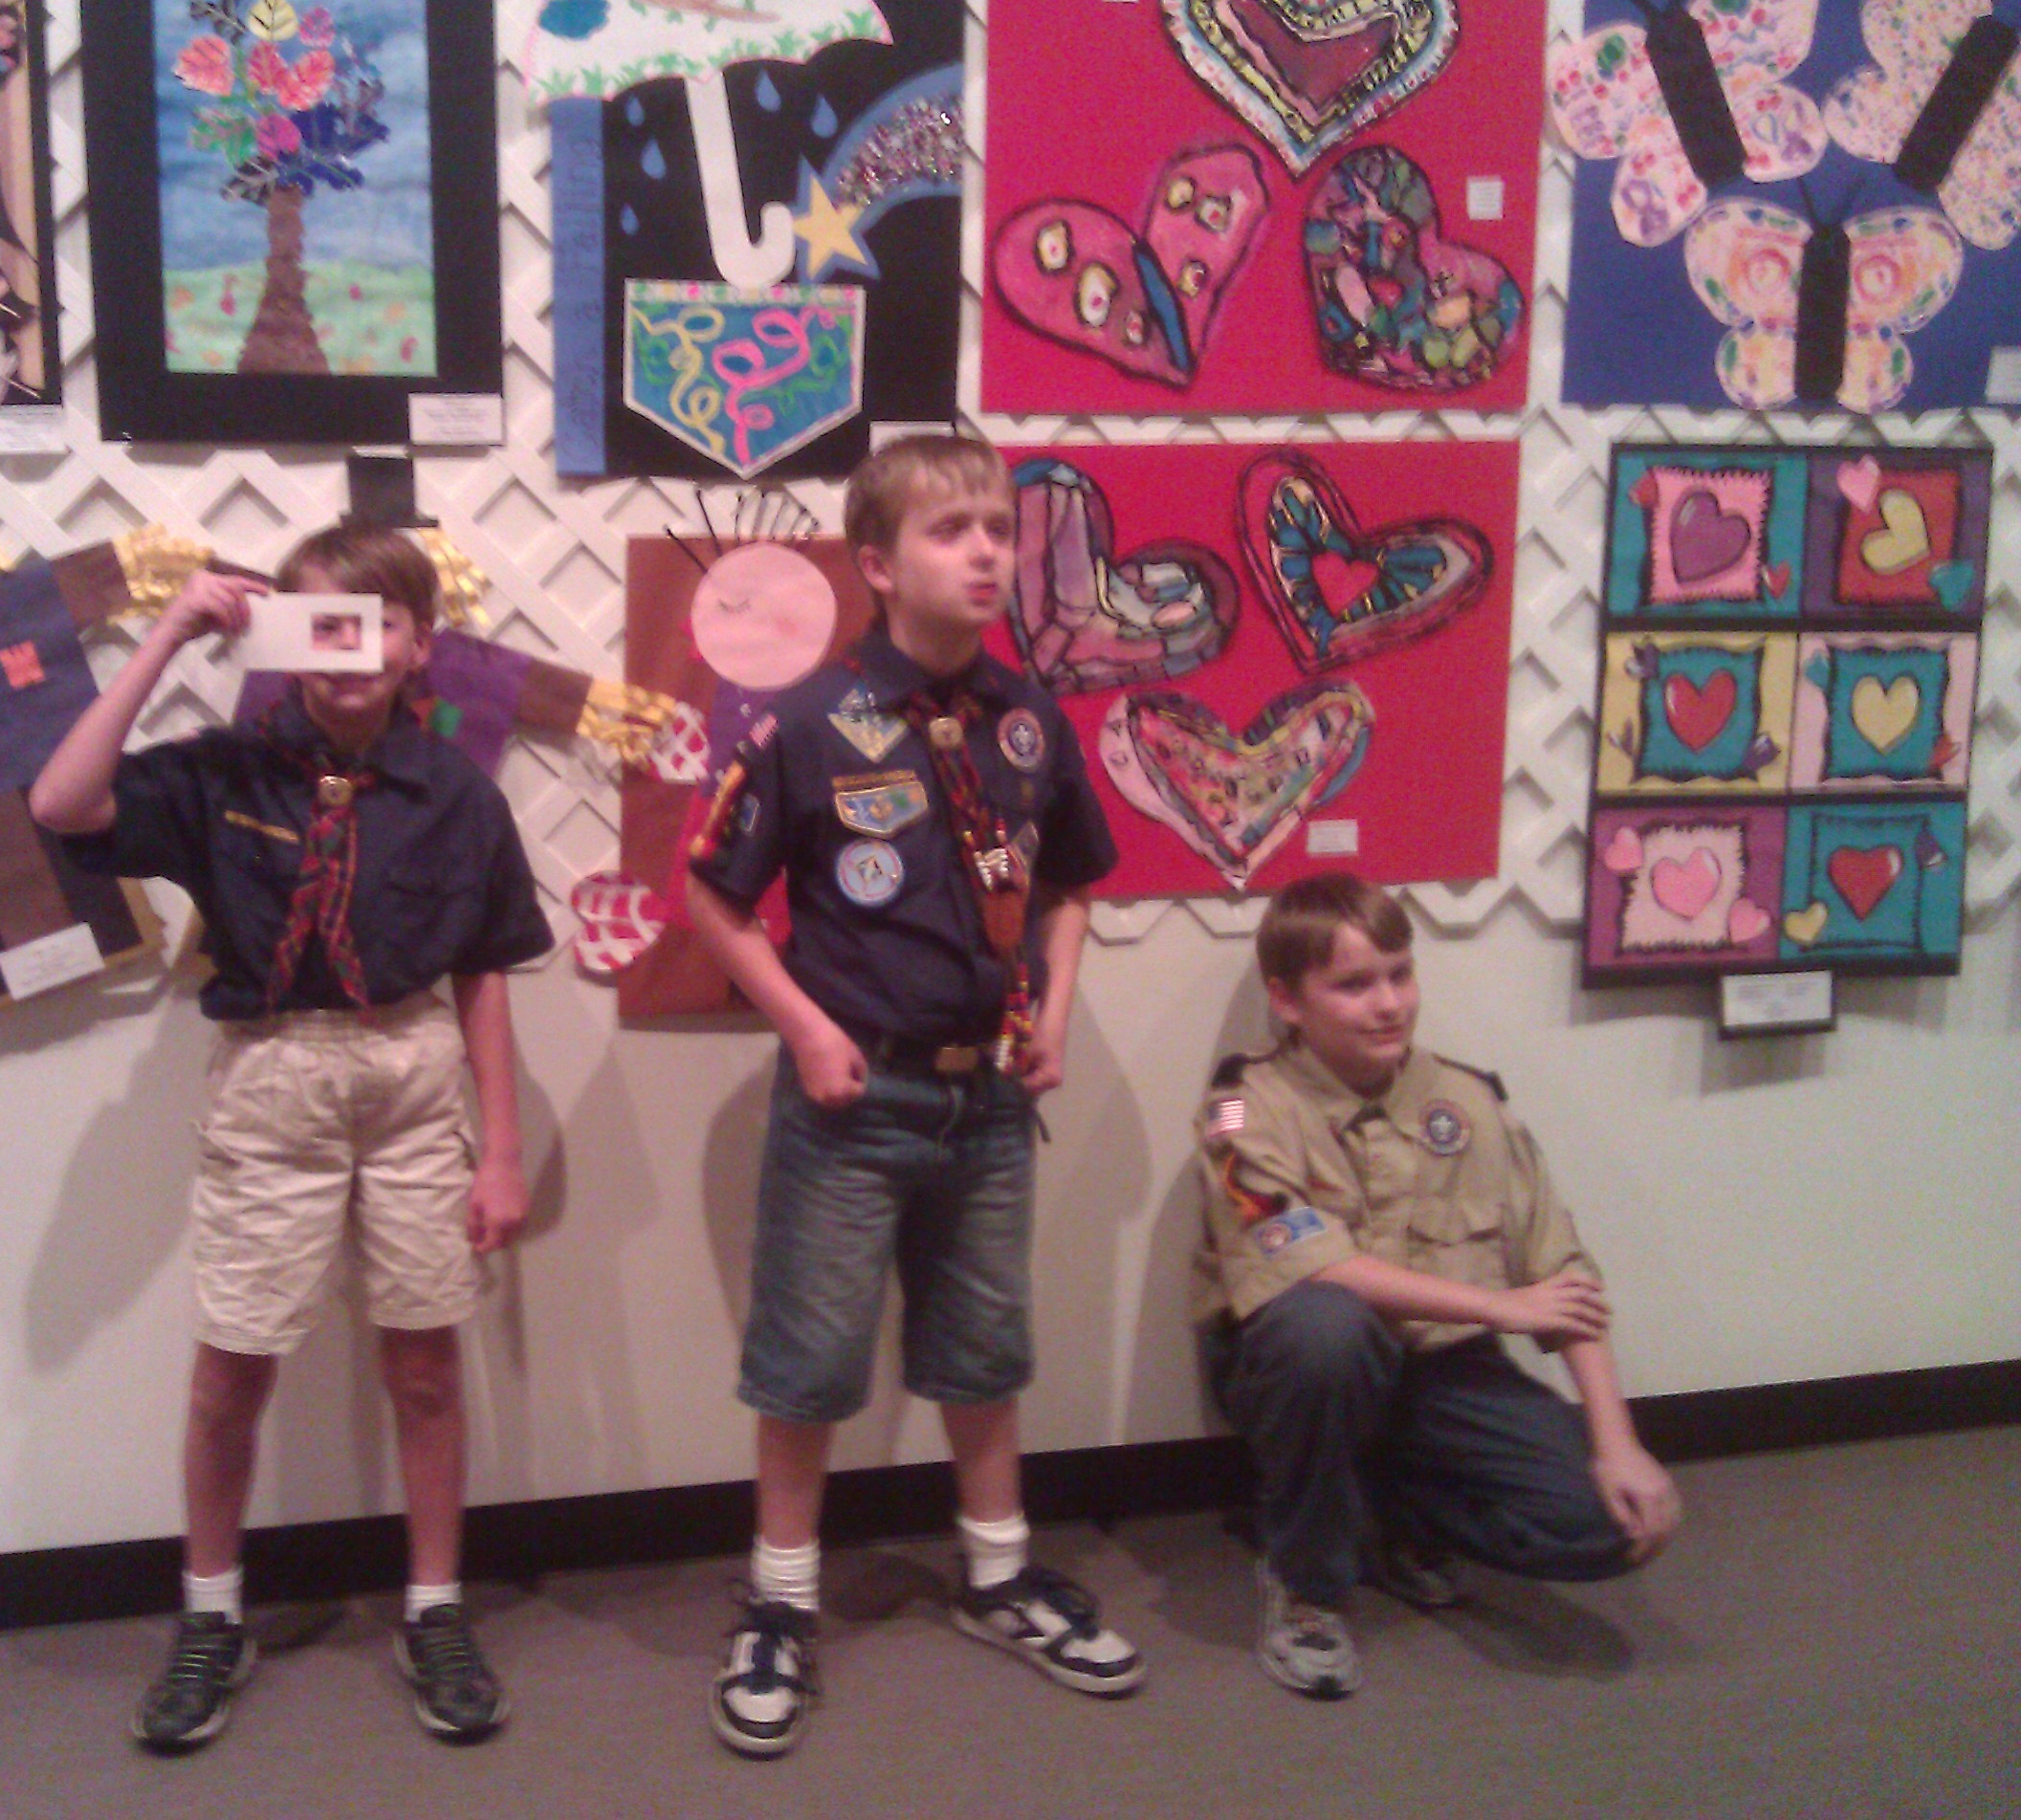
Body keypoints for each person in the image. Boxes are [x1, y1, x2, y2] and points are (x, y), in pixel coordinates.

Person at [30, 523, 553, 1751]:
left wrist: (501, 1147)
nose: (348, 652)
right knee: (233, 1369)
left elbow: (484, 972)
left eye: (376, 625)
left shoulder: (455, 792)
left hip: (411, 1075)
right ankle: (212, 1613)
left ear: (419, 645)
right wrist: (169, 634)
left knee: (425, 1365)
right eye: (320, 624)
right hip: (273, 1081)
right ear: (279, 639)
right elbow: (63, 803)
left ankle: (434, 1607)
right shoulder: (227, 772)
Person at [685, 434, 1145, 1758]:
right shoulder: (807, 721)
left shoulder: (1029, 718)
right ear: (877, 565)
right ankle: (780, 1603)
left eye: (998, 527)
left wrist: (1052, 1010)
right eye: (952, 531)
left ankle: (997, 1574)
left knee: (982, 1348)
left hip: (988, 1100)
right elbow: (711, 895)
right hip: (857, 1104)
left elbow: (1069, 882)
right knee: (811, 1361)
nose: (987, 550)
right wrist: (804, 1027)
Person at [1196, 870, 1682, 1699]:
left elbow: (1564, 1272)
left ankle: (1382, 1513)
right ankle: (1307, 1580)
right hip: (1301, 1367)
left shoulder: (1469, 1100)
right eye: (1354, 984)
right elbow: (1308, 1260)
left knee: (1608, 1524)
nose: (1389, 1003)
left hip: (1438, 1369)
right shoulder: (1240, 1108)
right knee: (1327, 1330)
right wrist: (1499, 1306)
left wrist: (1619, 1444)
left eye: (1400, 974)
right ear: (1286, 999)